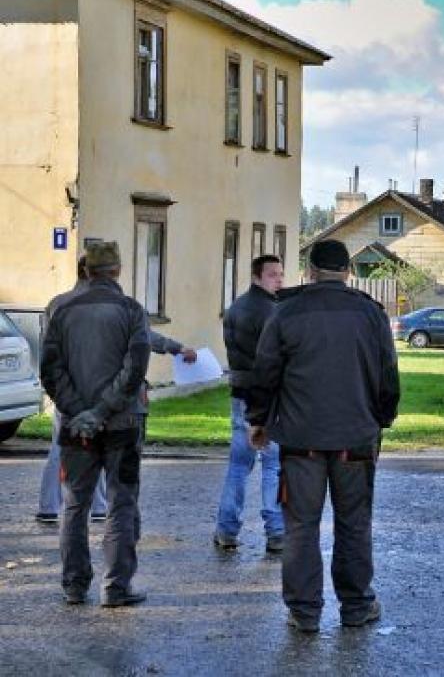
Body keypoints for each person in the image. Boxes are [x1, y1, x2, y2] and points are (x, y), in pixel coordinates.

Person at [247, 240, 400, 633]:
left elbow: (265, 374)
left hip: (302, 440)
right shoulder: (371, 314)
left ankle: (304, 611)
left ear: (310, 270)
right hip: (357, 437)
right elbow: (388, 377)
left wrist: (258, 420)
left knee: (301, 524)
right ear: (348, 272)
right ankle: (356, 605)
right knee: (354, 523)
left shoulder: (286, 312)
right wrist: (381, 418)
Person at [35, 256, 197, 524]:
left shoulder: (57, 304)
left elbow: (48, 352)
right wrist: (175, 347)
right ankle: (97, 507)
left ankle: (51, 506)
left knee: (63, 445)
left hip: (68, 389)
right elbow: (145, 338)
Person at [39, 242, 150, 607]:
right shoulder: (132, 310)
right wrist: (102, 411)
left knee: (75, 504)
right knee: (121, 502)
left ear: (87, 270)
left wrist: (80, 411)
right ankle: (116, 587)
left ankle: (74, 584)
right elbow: (134, 370)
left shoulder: (62, 310)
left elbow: (50, 370)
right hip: (123, 421)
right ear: (117, 270)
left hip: (76, 425)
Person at [214, 254, 286, 552]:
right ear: (257, 276)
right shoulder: (273, 311)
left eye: (281, 274)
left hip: (240, 393)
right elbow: (273, 360)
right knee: (273, 465)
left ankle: (226, 529)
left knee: (239, 465)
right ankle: (276, 530)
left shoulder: (235, 309)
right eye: (273, 274)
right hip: (266, 398)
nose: (279, 279)